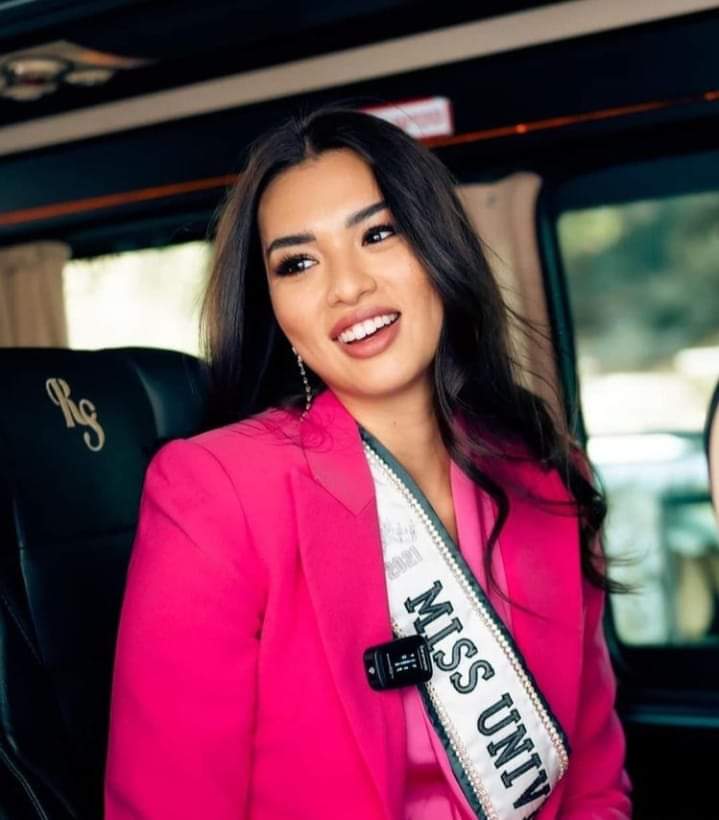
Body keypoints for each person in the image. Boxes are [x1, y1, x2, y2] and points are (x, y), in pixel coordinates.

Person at [104, 104, 632, 819]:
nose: (346, 286)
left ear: (438, 250)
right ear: (276, 309)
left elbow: (593, 785)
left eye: (378, 234)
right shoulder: (217, 492)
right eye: (298, 263)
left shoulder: (545, 473)